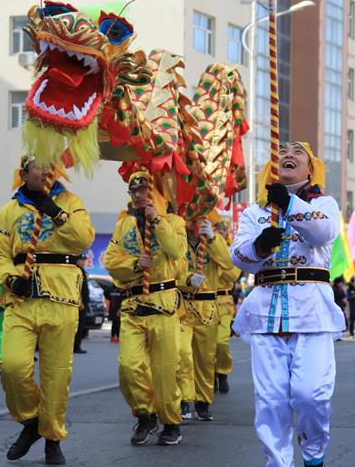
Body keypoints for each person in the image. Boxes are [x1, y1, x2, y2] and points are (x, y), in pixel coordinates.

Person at [230, 142, 344, 467]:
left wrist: (291, 204)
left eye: (297, 152)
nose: (288, 155)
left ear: (310, 167)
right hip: (265, 314)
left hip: (311, 312)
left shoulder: (323, 204)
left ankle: (313, 454)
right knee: (271, 401)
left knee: (311, 395)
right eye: (282, 153)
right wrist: (261, 245)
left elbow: (324, 233)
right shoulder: (255, 212)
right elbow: (241, 257)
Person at [0, 155, 95, 465]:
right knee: (11, 365)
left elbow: (84, 239)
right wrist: (9, 278)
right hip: (21, 298)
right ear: (24, 173)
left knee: (56, 374)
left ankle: (52, 437)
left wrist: (56, 212)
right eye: (39, 166)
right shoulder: (10, 210)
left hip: (60, 299)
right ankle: (32, 422)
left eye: (51, 166)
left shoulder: (71, 201)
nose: (47, 170)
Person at [105, 171, 186, 447]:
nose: (138, 195)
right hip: (133, 306)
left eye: (143, 189)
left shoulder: (174, 221)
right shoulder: (123, 224)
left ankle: (171, 422)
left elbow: (176, 251)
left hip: (162, 306)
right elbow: (110, 261)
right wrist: (135, 264)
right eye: (133, 190)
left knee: (164, 371)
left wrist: (157, 220)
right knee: (128, 367)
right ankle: (144, 414)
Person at [178, 218, 236, 421]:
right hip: (182, 305)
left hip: (208, 307)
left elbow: (230, 264)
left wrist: (213, 240)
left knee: (205, 358)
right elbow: (168, 270)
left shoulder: (213, 240)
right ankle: (183, 400)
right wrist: (185, 280)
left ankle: (203, 401)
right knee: (182, 355)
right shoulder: (178, 238)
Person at [214, 220, 240, 394]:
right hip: (203, 302)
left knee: (221, 342)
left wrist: (221, 258)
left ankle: (222, 372)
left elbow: (233, 275)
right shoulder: (204, 248)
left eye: (223, 230)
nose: (220, 232)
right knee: (204, 346)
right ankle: (208, 377)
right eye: (217, 229)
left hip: (224, 301)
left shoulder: (232, 250)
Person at [73, 256, 90, 354]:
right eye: (82, 260)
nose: (83, 262)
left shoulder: (82, 271)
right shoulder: (75, 270)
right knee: (77, 326)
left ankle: (77, 346)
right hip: (78, 303)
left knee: (80, 326)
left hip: (83, 302)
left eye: (84, 260)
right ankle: (75, 346)